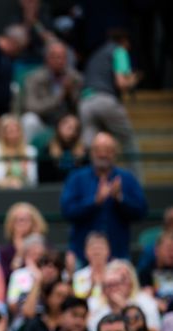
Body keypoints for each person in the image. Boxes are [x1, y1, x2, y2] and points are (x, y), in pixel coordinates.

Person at [62, 131, 148, 262]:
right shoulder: (76, 178)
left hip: (118, 254)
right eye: (98, 150)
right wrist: (95, 201)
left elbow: (141, 211)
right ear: (91, 153)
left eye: (108, 150)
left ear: (115, 153)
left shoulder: (127, 178)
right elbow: (67, 211)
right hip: (82, 255)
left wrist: (120, 198)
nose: (102, 154)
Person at [79, 29, 140, 158]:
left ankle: (92, 177)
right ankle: (134, 178)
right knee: (128, 140)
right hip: (104, 100)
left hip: (85, 103)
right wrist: (133, 80)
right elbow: (122, 83)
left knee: (91, 148)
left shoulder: (97, 54)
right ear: (123, 41)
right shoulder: (119, 51)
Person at [22, 41, 83, 140]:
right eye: (55, 57)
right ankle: (26, 154)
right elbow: (31, 107)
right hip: (43, 121)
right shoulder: (34, 78)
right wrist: (60, 96)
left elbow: (79, 107)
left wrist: (71, 93)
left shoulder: (75, 78)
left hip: (66, 123)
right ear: (47, 59)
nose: (59, 61)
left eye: (62, 57)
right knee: (29, 120)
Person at [0, 115, 38, 190]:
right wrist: (7, 182)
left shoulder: (30, 151)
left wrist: (25, 174)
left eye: (16, 130)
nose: (13, 134)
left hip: (24, 191)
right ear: (1, 132)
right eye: (9, 131)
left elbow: (33, 181)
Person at [38, 113, 88, 183]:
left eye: (75, 127)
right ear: (58, 126)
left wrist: (80, 159)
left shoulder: (85, 153)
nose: (71, 130)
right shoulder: (47, 151)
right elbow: (43, 180)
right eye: (67, 125)